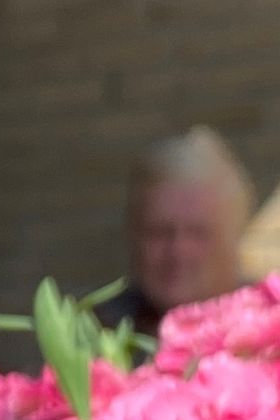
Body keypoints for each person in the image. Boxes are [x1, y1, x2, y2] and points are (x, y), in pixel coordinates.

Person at [100, 126, 254, 336]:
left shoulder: (273, 329)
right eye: (159, 233)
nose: (178, 251)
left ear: (233, 239)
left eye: (197, 233)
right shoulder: (98, 333)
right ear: (133, 236)